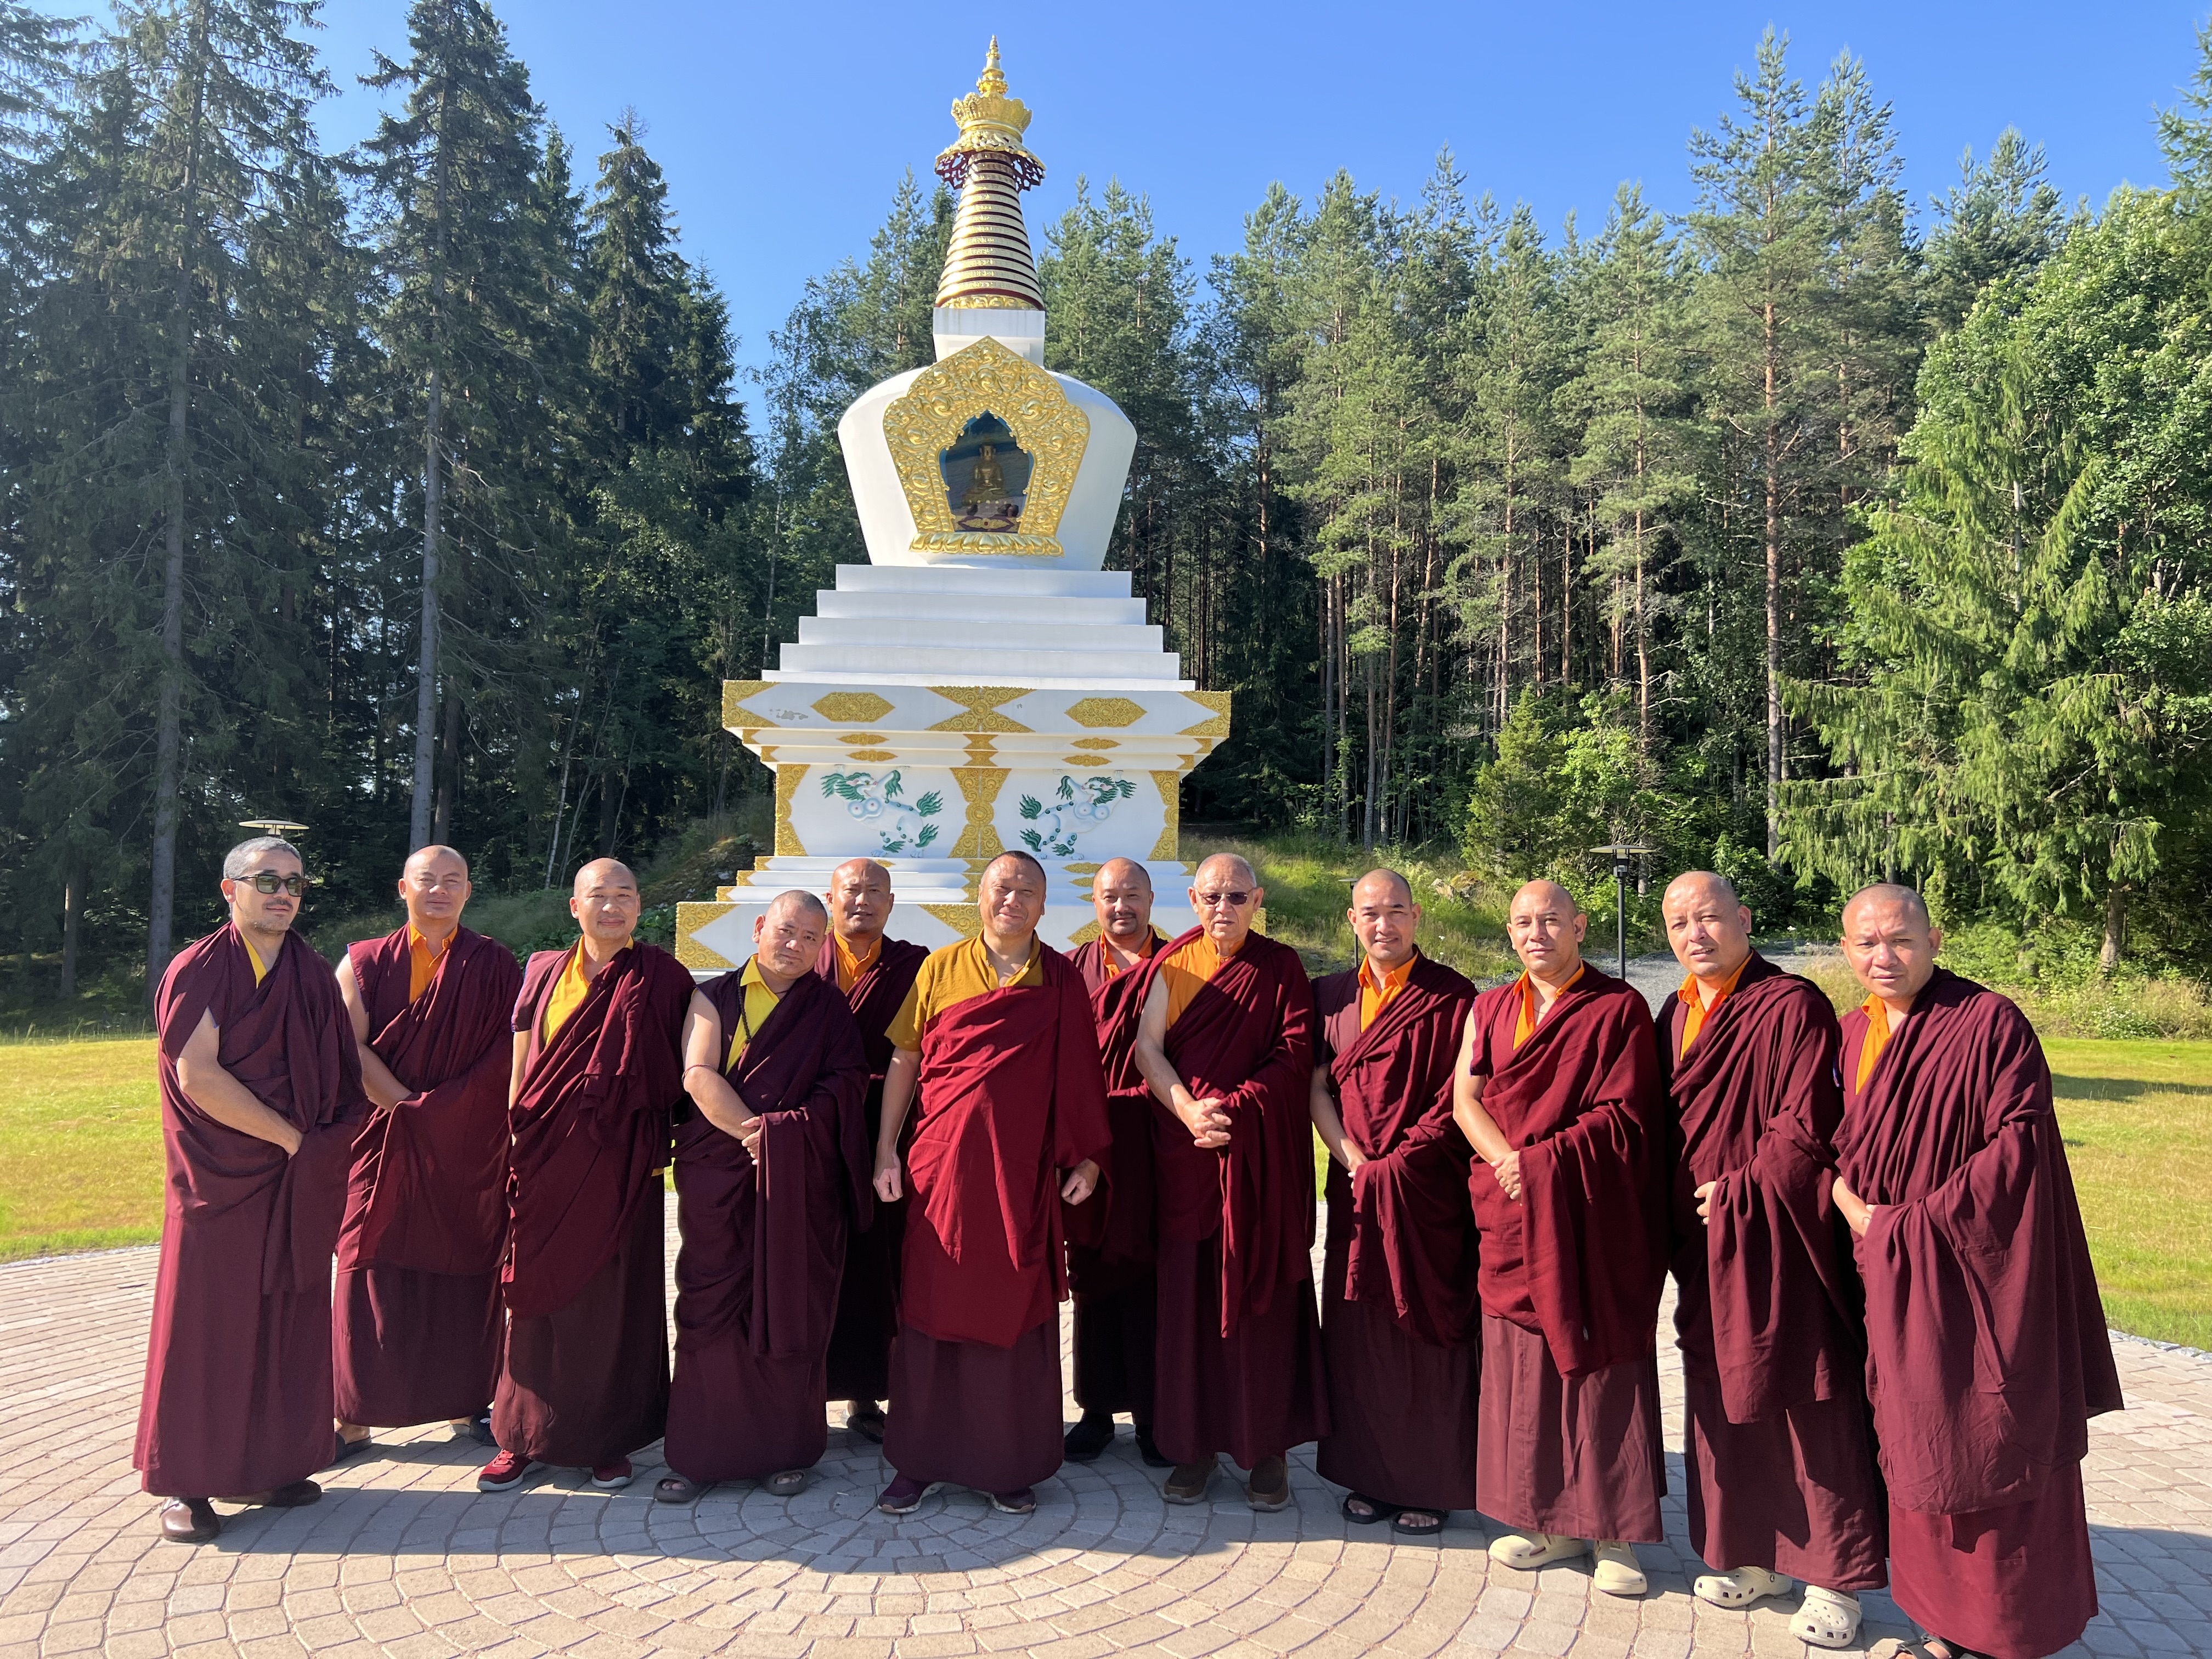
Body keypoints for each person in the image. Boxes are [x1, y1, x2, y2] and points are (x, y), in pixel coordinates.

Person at [1830, 884, 2121, 1659]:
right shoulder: (1853, 1031)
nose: (1882, 958)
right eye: (1865, 943)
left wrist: (1898, 1226)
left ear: (1935, 939)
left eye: (1899, 940)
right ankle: (1941, 1627)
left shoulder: (1988, 1024)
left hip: (1979, 1278)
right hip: (1895, 1284)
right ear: (1846, 948)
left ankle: (2006, 1635)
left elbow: (2019, 1148)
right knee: (1918, 1439)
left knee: (1991, 1439)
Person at [1656, 871, 1884, 1644]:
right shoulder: (1673, 1012)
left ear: (1745, 919)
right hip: (1700, 1241)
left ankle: (1837, 1579)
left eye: (1711, 918)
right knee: (1723, 1395)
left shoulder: (1792, 1007)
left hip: (1776, 1232)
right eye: (1680, 922)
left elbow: (1807, 1124)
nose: (1696, 934)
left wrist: (1743, 1190)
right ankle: (1756, 1554)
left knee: (1804, 1397)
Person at [138, 836, 366, 1544]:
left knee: (284, 1316)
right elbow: (196, 1076)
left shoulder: (306, 972)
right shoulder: (201, 969)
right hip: (223, 1177)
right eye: (266, 879)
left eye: (295, 881)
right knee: (208, 1327)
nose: (283, 892)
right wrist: (296, 1141)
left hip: (294, 1182)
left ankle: (270, 1463)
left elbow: (336, 1070)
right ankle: (187, 1479)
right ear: (229, 889)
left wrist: (321, 1147)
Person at [871, 851, 1110, 1516]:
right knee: (930, 1311)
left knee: (1012, 1313)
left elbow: (1083, 1076)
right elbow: (907, 1059)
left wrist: (1087, 1159)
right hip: (941, 1170)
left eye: (1027, 891)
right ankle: (919, 1462)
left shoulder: (1059, 977)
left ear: (1043, 907)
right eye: (1002, 887)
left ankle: (1007, 1464)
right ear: (980, 895)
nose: (1013, 899)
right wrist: (886, 1149)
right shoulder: (939, 968)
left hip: (1020, 1175)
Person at [1451, 878, 1667, 1596]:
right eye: (1522, 922)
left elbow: (1629, 1115)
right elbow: (1465, 1099)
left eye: (1549, 920)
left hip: (1591, 1217)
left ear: (1579, 925)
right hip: (1514, 1205)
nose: (1535, 932)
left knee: (1599, 1366)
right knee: (1525, 1369)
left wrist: (1538, 1164)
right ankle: (1548, 1520)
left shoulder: (1617, 1007)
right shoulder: (1490, 1007)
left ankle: (1615, 1537)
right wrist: (1507, 1164)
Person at [477, 858, 695, 1494]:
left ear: (639, 908)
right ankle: (520, 1437)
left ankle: (608, 1440)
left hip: (623, 1163)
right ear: (575, 906)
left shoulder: (663, 977)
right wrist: (517, 1136)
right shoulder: (544, 970)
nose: (613, 907)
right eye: (600, 896)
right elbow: (523, 1063)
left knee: (613, 1304)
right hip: (544, 1157)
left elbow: (678, 1069)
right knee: (535, 1299)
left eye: (625, 896)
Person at [657, 891, 870, 1503]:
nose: (795, 945)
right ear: (759, 929)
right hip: (721, 1175)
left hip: (796, 1188)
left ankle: (785, 1449)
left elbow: (847, 1082)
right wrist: (760, 1135)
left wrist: (784, 1141)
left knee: (789, 1307)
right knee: (710, 1308)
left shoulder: (829, 1008)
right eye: (785, 931)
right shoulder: (714, 996)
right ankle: (701, 1453)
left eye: (810, 937)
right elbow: (698, 1075)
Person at [1131, 851, 1326, 1511]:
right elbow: (1147, 1049)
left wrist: (1236, 1108)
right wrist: (1188, 1108)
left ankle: (1267, 1450)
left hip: (1259, 1158)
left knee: (1261, 1297)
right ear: (1192, 900)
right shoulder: (1174, 964)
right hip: (1190, 1156)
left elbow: (1296, 1053)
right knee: (1188, 1306)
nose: (1224, 909)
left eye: (1237, 897)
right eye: (1212, 897)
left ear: (1258, 899)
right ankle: (1195, 1447)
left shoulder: (1282, 967)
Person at [332, 845, 522, 1455]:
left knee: (467, 1264)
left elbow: (510, 1052)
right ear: (402, 888)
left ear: (468, 891)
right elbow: (346, 1046)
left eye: (452, 881)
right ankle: (352, 1415)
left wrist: (445, 1114)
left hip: (467, 1144)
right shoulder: (364, 962)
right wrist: (410, 1110)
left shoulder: (495, 965)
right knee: (369, 1261)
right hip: (385, 1135)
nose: (439, 890)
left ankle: (468, 1404)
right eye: (426, 880)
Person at [1310, 869, 1480, 1537]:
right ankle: (1367, 1473)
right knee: (1359, 1332)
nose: (1385, 926)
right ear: (1352, 921)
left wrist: (1400, 1160)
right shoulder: (1328, 997)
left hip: (1426, 1190)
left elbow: (1459, 1096)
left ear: (1417, 918)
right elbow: (1316, 1087)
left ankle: (1429, 1482)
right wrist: (1350, 1157)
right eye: (1371, 914)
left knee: (1425, 1330)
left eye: (1397, 913)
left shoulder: (1453, 996)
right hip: (1354, 1187)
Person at [816, 857, 928, 1443]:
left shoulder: (917, 966)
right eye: (850, 891)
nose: (862, 900)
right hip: (814, 1129)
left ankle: (867, 1394)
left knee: (879, 1258)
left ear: (891, 903)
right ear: (830, 899)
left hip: (889, 1128)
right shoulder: (803, 956)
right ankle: (804, 1389)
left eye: (874, 892)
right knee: (810, 1258)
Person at [1062, 856, 1170, 1466]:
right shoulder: (1072, 969)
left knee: (1153, 1277)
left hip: (1154, 1143)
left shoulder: (1178, 965)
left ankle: (1155, 1415)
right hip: (1090, 1145)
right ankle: (1096, 1412)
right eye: (1110, 896)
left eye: (1133, 895)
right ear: (1095, 903)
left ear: (1152, 900)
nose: (1121, 906)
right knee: (1093, 1275)